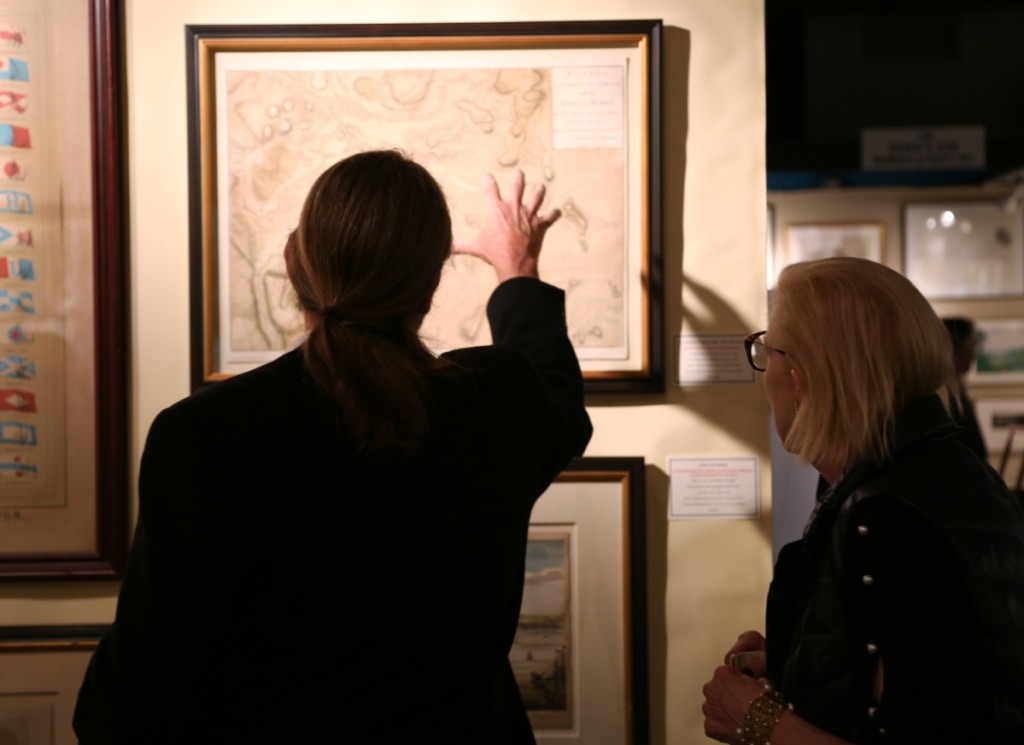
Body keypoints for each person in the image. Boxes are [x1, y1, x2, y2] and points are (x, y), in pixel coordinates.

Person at [72, 151, 592, 744]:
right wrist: (516, 267)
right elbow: (553, 391)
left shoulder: (207, 432)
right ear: (430, 282)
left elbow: (142, 680)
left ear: (295, 262)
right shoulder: (495, 406)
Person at [703, 257, 1024, 744]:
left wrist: (758, 720)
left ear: (801, 380)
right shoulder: (940, 472)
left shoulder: (889, 518)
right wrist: (800, 656)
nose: (765, 373)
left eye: (769, 352)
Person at [942, 316, 987, 460]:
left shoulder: (954, 387)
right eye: (971, 345)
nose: (973, 354)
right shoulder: (945, 392)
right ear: (956, 346)